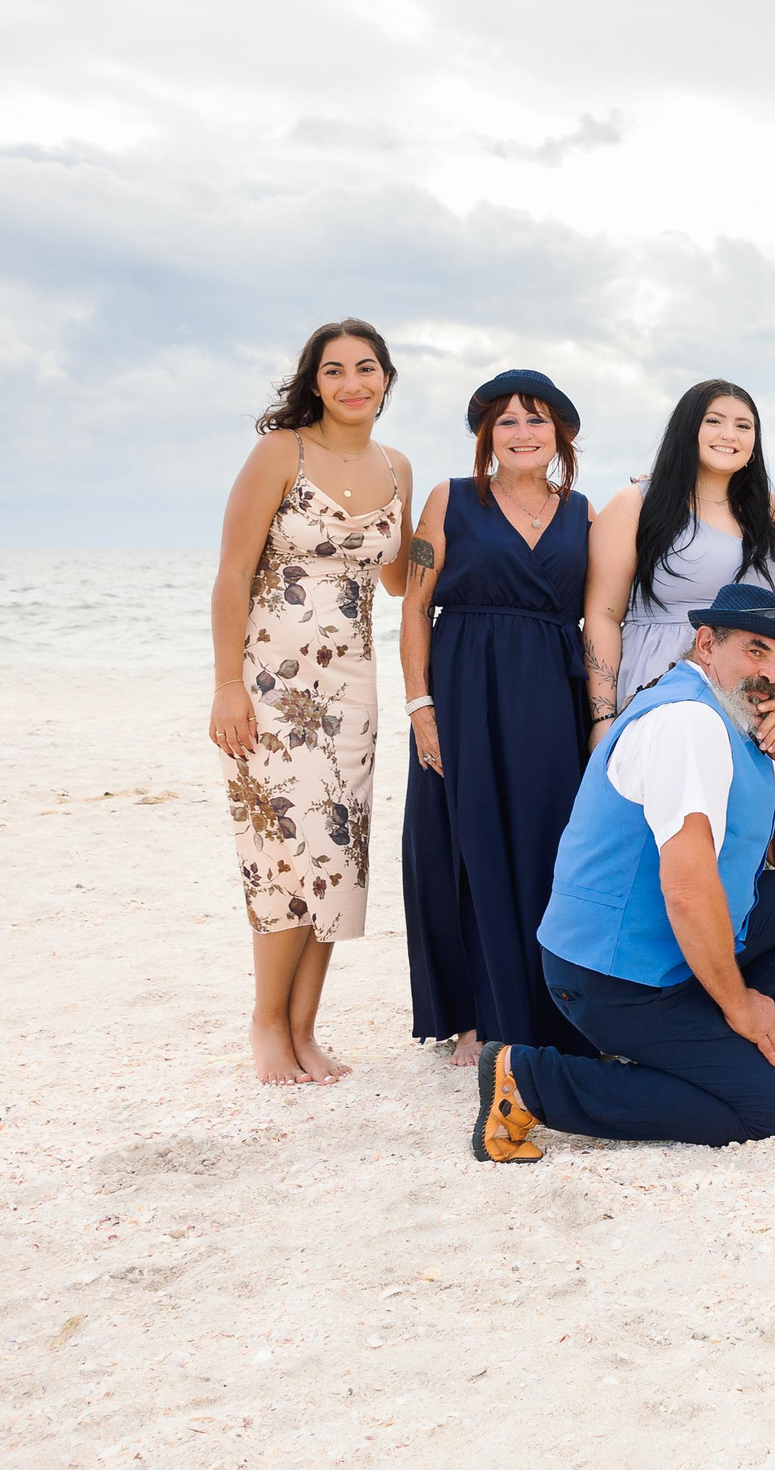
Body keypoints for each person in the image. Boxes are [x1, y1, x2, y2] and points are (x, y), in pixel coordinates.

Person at [472, 586, 775, 1160]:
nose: (771, 674)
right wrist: (741, 1006)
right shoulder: (688, 722)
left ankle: (696, 1034)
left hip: (671, 949)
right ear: (706, 644)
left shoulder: (741, 719)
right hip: (612, 974)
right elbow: (685, 889)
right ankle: (527, 1080)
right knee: (764, 1110)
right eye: (756, 652)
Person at [208, 319, 415, 1085]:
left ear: (386, 379)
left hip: (352, 690)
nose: (352, 382)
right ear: (314, 381)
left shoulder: (398, 468)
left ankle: (304, 1029)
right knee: (280, 854)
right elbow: (231, 575)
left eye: (366, 368)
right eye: (335, 370)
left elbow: (399, 577)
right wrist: (227, 683)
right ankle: (267, 1025)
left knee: (332, 854)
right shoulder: (280, 452)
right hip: (272, 685)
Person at [399, 370, 596, 1066]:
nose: (521, 433)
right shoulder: (449, 500)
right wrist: (420, 705)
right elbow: (415, 607)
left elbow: (604, 609)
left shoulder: (584, 512)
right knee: (467, 841)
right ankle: (477, 1015)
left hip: (550, 690)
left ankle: (549, 1004)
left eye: (536, 420)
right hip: (464, 686)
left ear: (559, 436)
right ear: (488, 434)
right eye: (506, 421)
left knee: (550, 839)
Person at [583, 379, 775, 738]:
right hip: (665, 685)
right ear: (687, 429)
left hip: (758, 697)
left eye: (743, 426)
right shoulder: (636, 503)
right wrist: (603, 719)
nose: (729, 434)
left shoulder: (767, 510)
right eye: (714, 421)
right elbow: (602, 615)